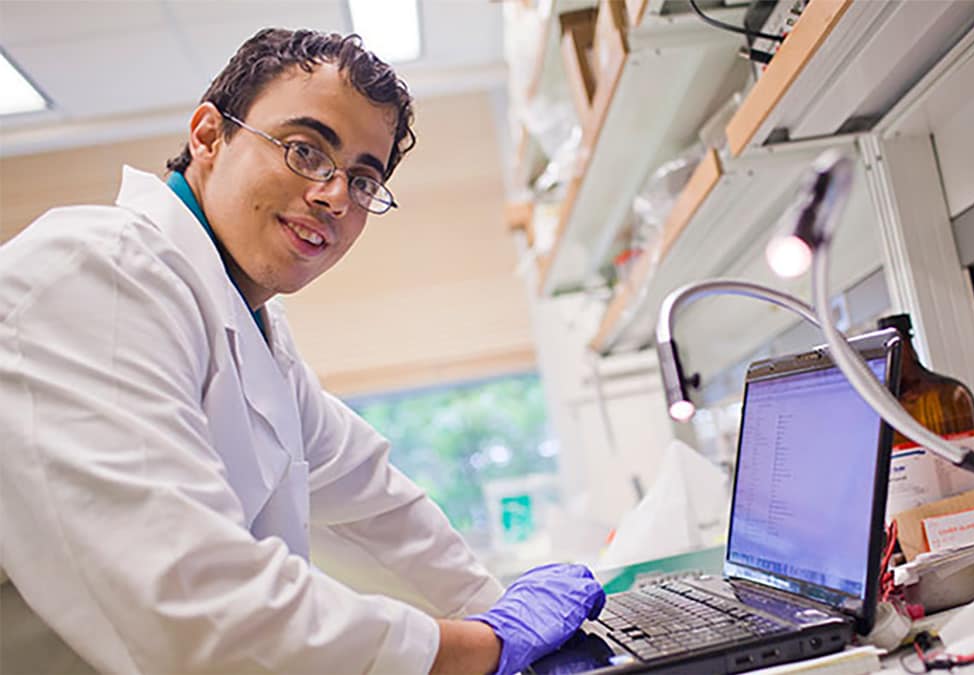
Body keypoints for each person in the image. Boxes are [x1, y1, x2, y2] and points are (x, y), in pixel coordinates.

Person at [0, 28, 603, 675]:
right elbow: (196, 603)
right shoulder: (96, 273)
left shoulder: (253, 327)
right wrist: (488, 645)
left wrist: (511, 620)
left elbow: (377, 503)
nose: (335, 196)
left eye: (364, 180)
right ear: (208, 135)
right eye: (305, 150)